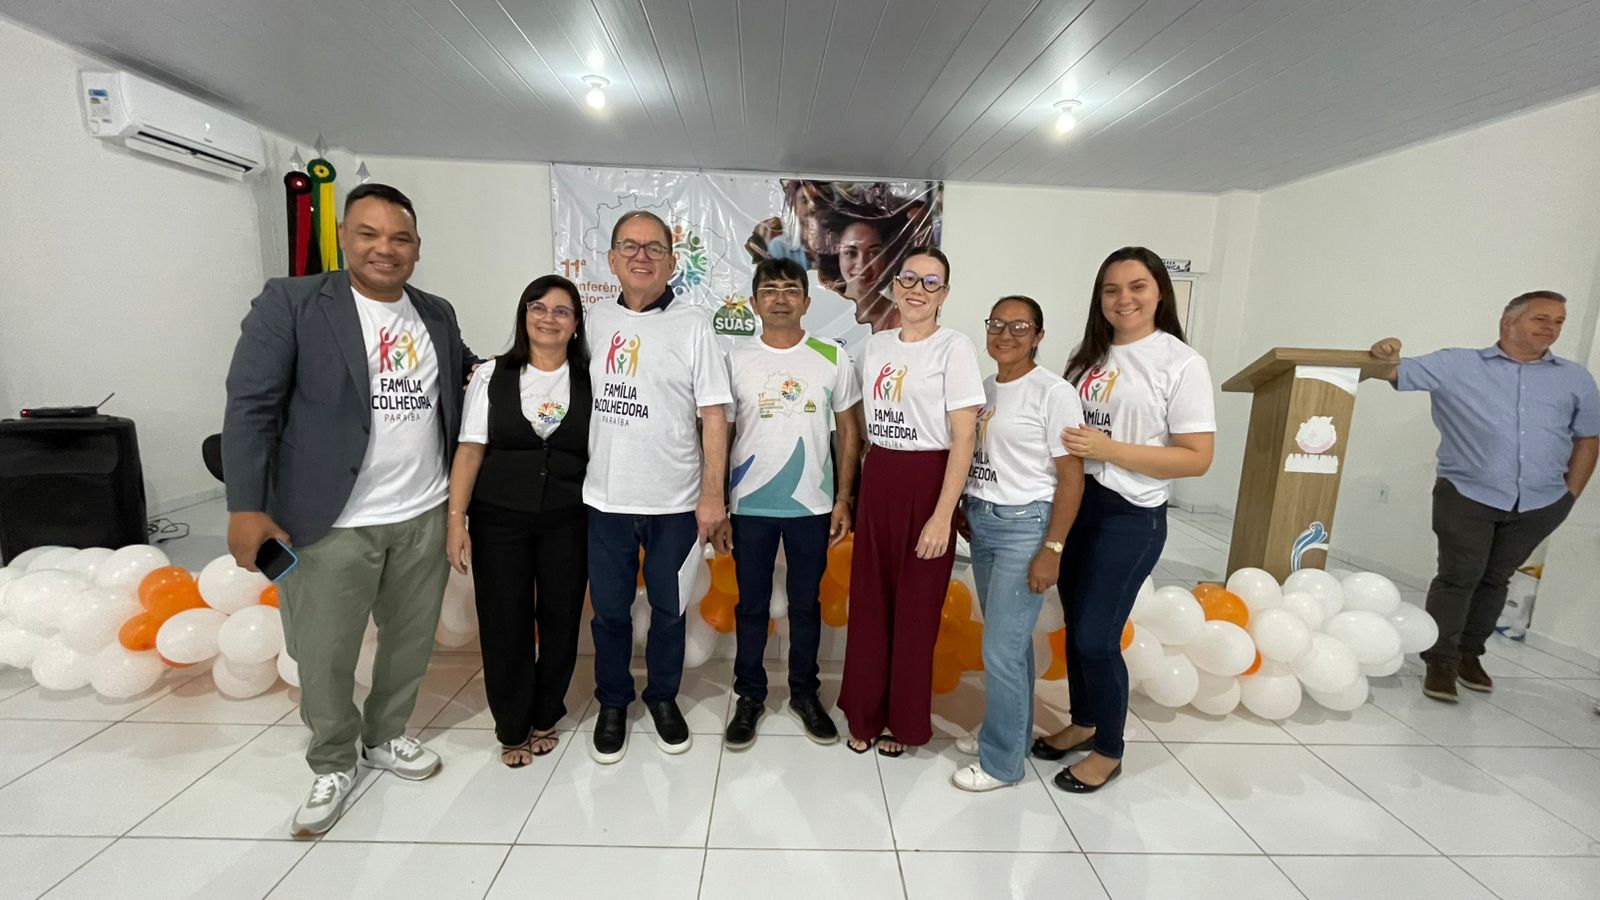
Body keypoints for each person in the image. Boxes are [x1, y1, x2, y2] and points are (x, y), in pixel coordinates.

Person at [223, 184, 479, 836]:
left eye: (399, 237)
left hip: (422, 512)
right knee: (325, 651)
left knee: (409, 642)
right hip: (328, 520)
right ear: (344, 237)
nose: (384, 249)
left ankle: (385, 735)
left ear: (416, 248)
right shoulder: (292, 303)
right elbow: (250, 406)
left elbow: (468, 378)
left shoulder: (436, 313)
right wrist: (245, 505)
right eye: (369, 233)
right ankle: (332, 759)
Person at [1034, 246, 1214, 794]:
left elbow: (1196, 458)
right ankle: (1084, 722)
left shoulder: (1181, 363)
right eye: (1111, 289)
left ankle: (1109, 750)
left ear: (1160, 292)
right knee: (1076, 627)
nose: (1124, 299)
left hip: (1130, 514)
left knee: (1097, 637)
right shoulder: (1088, 356)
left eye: (1137, 287)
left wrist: (1110, 450)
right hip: (1076, 505)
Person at [1369, 290, 1598, 702]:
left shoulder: (1575, 378)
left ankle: (1469, 654)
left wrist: (1569, 495)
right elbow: (1389, 370)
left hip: (1540, 502)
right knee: (1459, 575)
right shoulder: (1456, 364)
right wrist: (1384, 353)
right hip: (1467, 495)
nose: (1551, 328)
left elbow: (1588, 437)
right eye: (1541, 318)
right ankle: (1440, 660)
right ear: (1508, 322)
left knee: (1496, 579)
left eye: (1559, 321)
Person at [584, 210, 733, 764]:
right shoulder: (594, 320)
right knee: (610, 613)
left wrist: (713, 496)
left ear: (672, 263)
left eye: (654, 248)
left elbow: (713, 414)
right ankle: (613, 702)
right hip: (606, 499)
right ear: (612, 260)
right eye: (630, 246)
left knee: (670, 611)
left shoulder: (694, 325)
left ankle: (663, 698)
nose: (641, 256)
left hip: (675, 502)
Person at [839, 246, 984, 756]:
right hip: (880, 475)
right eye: (909, 278)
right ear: (895, 286)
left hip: (929, 480)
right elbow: (861, 423)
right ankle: (864, 713)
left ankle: (903, 722)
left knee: (916, 612)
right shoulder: (875, 346)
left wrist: (943, 515)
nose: (917, 289)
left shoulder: (955, 348)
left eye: (931, 282)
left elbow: (964, 438)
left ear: (944, 294)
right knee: (870, 602)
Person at [445, 275, 590, 767]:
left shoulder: (590, 377)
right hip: (498, 519)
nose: (549, 318)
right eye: (538, 307)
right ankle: (511, 725)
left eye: (562, 311)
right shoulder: (492, 375)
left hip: (569, 518)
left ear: (575, 324)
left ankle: (546, 712)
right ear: (524, 315)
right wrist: (456, 519)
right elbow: (470, 450)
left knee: (561, 618)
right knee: (504, 620)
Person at [721, 257, 864, 749]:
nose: (780, 298)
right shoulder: (734, 360)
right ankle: (750, 696)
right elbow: (722, 433)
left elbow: (849, 430)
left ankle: (805, 693)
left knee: (805, 605)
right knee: (751, 606)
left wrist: (844, 497)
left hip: (813, 505)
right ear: (754, 302)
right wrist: (716, 500)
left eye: (789, 289)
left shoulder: (831, 356)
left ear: (805, 301)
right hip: (749, 506)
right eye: (770, 289)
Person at [951, 296, 1085, 792]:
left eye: (1020, 326)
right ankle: (1010, 733)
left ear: (1039, 336)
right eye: (997, 324)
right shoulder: (985, 388)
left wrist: (1053, 548)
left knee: (1001, 651)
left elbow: (1071, 476)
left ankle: (1002, 763)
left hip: (1025, 527)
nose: (1005, 334)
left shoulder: (1054, 393)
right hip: (984, 523)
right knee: (1011, 644)